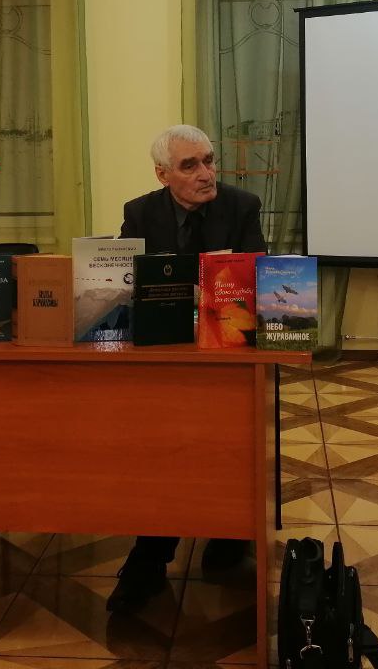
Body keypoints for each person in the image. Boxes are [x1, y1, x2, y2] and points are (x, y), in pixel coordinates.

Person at [108, 123, 267, 613]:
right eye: (190, 165)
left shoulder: (242, 206)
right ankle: (151, 554)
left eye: (209, 161)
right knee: (163, 447)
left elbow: (256, 284)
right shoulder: (140, 213)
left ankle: (230, 531)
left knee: (230, 439)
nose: (206, 173)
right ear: (163, 175)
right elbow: (122, 283)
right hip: (166, 353)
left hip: (229, 352)